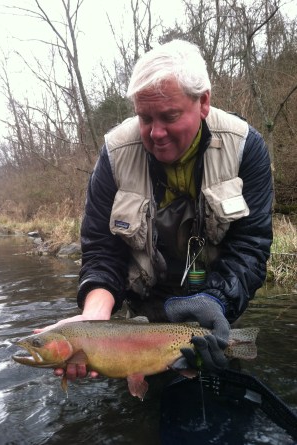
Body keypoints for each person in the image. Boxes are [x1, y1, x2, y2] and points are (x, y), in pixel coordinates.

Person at [38, 40, 273, 382]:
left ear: (203, 101)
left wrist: (219, 301)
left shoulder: (245, 148)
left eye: (169, 116)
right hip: (142, 320)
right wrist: (92, 320)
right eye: (144, 118)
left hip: (213, 305)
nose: (156, 132)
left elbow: (250, 246)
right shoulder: (115, 155)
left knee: (215, 382)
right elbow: (103, 251)